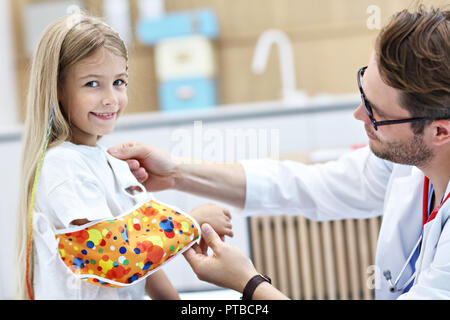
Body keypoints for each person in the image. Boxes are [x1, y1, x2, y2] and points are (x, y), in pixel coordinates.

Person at [108, 5, 450, 300]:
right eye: (362, 89)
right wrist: (175, 173)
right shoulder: (407, 166)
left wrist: (250, 284)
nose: (359, 115)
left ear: (439, 131)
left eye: (375, 112)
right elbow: (307, 185)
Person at [15, 13, 233, 300]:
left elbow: (144, 263)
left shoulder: (111, 163)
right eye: (93, 84)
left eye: (119, 81)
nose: (111, 98)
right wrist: (191, 224)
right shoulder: (62, 166)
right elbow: (110, 258)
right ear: (57, 90)